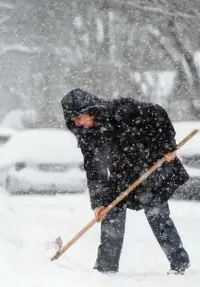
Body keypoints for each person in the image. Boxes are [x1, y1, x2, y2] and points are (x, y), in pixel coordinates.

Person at [61, 88, 191, 275]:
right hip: (120, 175)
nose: (77, 122)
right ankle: (106, 269)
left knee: (157, 215)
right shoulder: (86, 134)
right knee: (110, 213)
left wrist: (168, 146)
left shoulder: (121, 110)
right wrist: (98, 203)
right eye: (73, 120)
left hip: (149, 168)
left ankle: (180, 263)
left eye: (79, 116)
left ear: (90, 110)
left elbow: (158, 114)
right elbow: (94, 170)